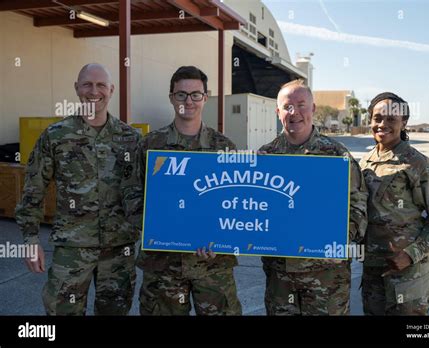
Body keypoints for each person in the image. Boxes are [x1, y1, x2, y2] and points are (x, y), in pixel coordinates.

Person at [15, 63, 141, 315]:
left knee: (115, 311)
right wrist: (30, 240)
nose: (94, 91)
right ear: (76, 88)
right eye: (87, 84)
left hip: (119, 249)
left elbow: (149, 192)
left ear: (111, 89)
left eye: (101, 85)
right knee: (62, 311)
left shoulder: (131, 138)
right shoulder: (56, 136)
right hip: (72, 248)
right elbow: (33, 190)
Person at [122, 66, 242, 316]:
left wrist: (221, 237)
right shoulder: (150, 146)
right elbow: (131, 195)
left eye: (195, 94)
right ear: (171, 98)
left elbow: (236, 204)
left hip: (213, 265)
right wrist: (161, 227)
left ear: (205, 98)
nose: (188, 101)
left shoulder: (225, 148)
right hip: (163, 265)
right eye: (181, 95)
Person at [258, 79, 368, 315]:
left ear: (313, 108)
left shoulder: (337, 156)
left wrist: (336, 242)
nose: (294, 112)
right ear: (278, 112)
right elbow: (253, 208)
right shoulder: (265, 157)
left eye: (301, 105)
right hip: (280, 276)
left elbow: (358, 209)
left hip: (326, 278)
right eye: (287, 106)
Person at [360, 92, 429, 315]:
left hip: (408, 278)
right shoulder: (365, 161)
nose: (382, 124)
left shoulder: (418, 164)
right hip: (373, 272)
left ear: (404, 123)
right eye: (377, 118)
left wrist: (410, 254)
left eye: (391, 119)